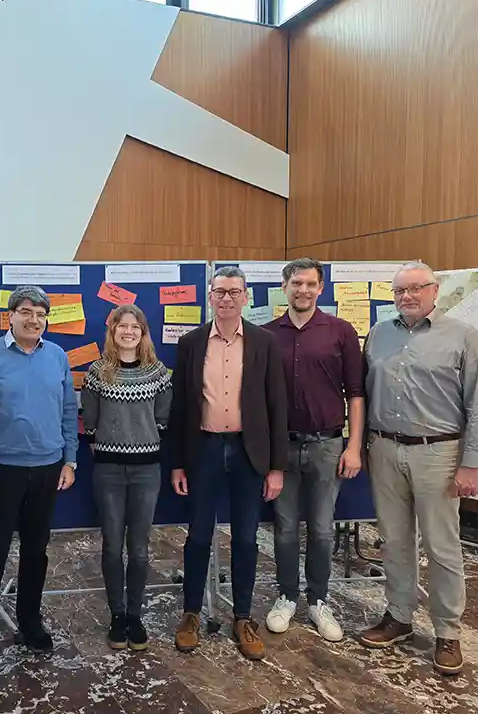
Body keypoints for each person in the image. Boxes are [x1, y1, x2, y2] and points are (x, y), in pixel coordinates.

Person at [360, 261, 478, 675]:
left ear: (435, 290)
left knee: (441, 545)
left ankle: (447, 632)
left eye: (416, 288)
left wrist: (470, 465)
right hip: (384, 449)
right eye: (400, 290)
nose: (407, 296)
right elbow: (364, 392)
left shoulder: (464, 336)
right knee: (394, 541)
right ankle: (399, 616)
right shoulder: (379, 334)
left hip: (438, 453)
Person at [169, 265, 289, 661]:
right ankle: (191, 614)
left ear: (245, 297)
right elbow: (181, 407)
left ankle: (242, 617)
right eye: (219, 291)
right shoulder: (190, 343)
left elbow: (277, 406)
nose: (226, 298)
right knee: (198, 535)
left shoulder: (264, 342)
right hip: (202, 449)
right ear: (210, 296)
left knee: (246, 538)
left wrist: (276, 467)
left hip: (248, 451)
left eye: (234, 292)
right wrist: (177, 464)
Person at [0, 285, 78, 672]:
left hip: (47, 469)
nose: (34, 320)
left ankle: (30, 622)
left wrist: (70, 460)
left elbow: (68, 411)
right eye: (26, 312)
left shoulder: (57, 356)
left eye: (41, 314)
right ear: (9, 316)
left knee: (36, 552)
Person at [263, 258, 364, 642]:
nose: (303, 290)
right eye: (296, 283)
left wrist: (353, 447)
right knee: (285, 528)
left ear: (321, 288)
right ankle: (287, 596)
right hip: (282, 447)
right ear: (284, 287)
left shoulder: (340, 331)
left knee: (322, 530)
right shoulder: (267, 334)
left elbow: (356, 393)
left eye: (310, 284)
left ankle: (318, 600)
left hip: (327, 445)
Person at [81, 304, 172, 652]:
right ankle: (117, 615)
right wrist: (106, 445)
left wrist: (142, 441)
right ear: (113, 331)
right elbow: (89, 419)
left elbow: (163, 418)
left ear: (143, 332)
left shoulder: (157, 372)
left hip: (147, 471)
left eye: (135, 326)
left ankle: (135, 615)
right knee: (111, 545)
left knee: (139, 548)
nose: (128, 331)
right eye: (122, 326)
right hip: (108, 471)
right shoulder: (97, 372)